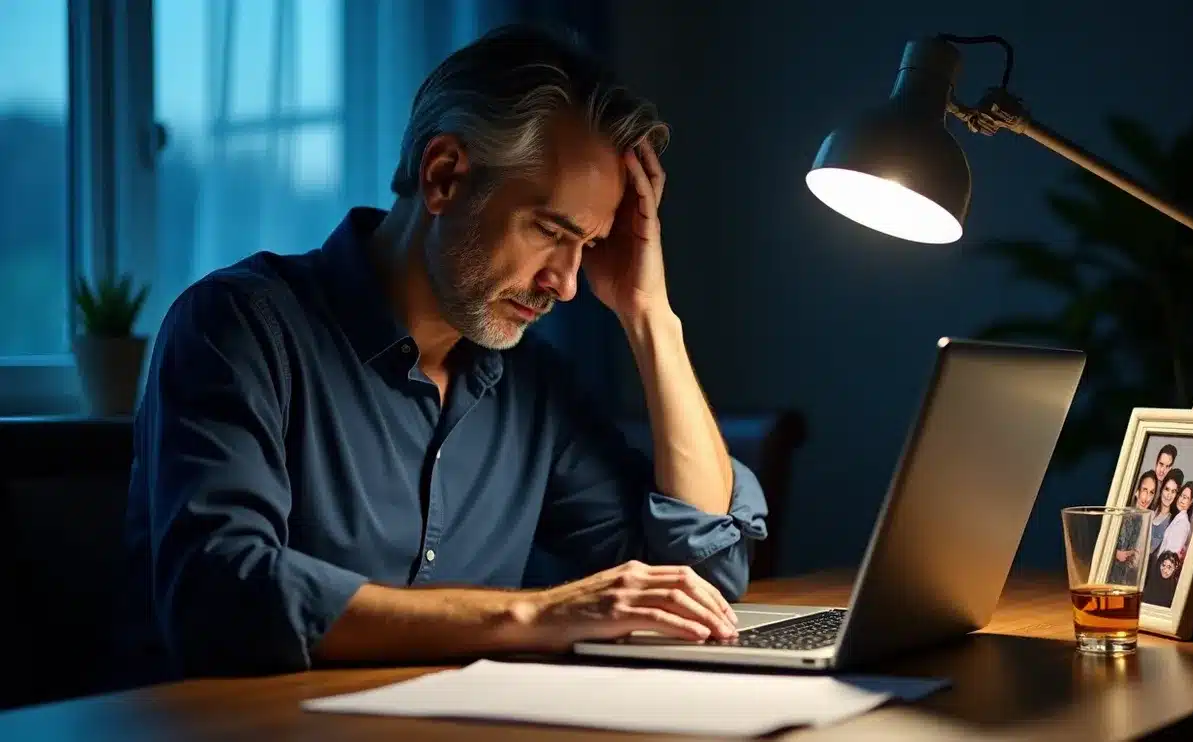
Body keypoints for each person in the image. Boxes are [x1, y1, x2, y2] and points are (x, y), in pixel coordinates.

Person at [114, 25, 768, 684]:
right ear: (445, 175)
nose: (567, 284)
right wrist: (528, 616)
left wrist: (649, 316)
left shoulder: (534, 388)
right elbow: (223, 595)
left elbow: (703, 575)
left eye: (590, 245)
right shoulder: (238, 326)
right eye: (549, 230)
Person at [1110, 469, 1158, 582]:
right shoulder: (1124, 515)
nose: (1146, 498)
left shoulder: (1145, 519)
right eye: (1144, 490)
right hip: (1111, 576)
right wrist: (1115, 553)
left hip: (1128, 580)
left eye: (1151, 492)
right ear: (1137, 491)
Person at [1158, 481, 1193, 559]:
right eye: (1181, 495)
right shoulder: (1178, 518)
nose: (1181, 500)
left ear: (1191, 501)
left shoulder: (1183, 523)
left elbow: (1172, 554)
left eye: (1186, 497)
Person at [1149, 468, 1184, 555]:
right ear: (1161, 490)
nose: (1169, 495)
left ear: (1176, 495)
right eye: (1167, 489)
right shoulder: (1150, 510)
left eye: (1173, 491)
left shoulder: (1172, 523)